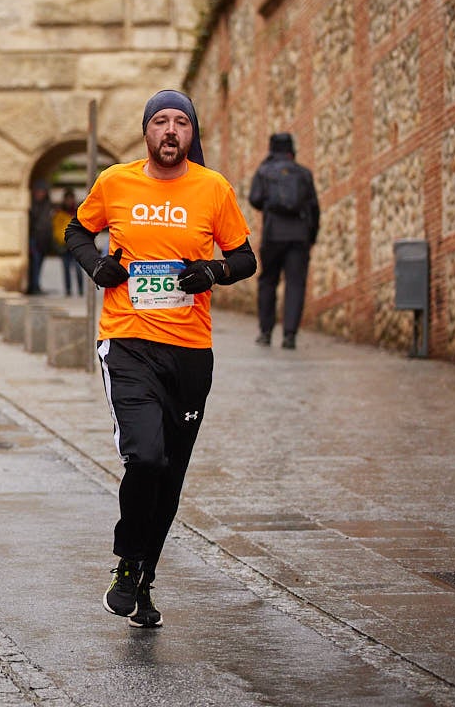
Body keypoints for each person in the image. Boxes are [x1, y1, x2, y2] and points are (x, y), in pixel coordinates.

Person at [64, 89, 256, 629]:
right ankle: (127, 559)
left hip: (191, 352)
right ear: (147, 131)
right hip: (126, 339)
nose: (170, 131)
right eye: (161, 122)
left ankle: (143, 577)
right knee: (145, 457)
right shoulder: (116, 182)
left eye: (181, 123)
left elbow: (245, 257)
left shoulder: (213, 188)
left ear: (192, 134)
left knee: (169, 475)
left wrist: (212, 273)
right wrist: (96, 266)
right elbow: (77, 229)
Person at [248, 132, 319, 350]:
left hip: (273, 234)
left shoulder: (264, 171)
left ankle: (266, 332)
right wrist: (311, 237)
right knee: (295, 284)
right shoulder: (303, 174)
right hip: (299, 236)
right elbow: (314, 208)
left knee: (268, 281)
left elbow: (255, 199)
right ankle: (290, 335)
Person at [54, 188, 85, 297]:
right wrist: (61, 239)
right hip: (64, 245)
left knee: (78, 269)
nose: (69, 201)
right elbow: (57, 228)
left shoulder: (78, 212)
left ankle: (81, 289)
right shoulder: (60, 213)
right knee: (66, 268)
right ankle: (68, 290)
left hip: (76, 245)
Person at [26, 182, 55, 295]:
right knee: (35, 263)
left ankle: (36, 285)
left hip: (44, 239)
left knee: (39, 263)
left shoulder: (47, 205)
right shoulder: (32, 205)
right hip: (34, 238)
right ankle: (33, 286)